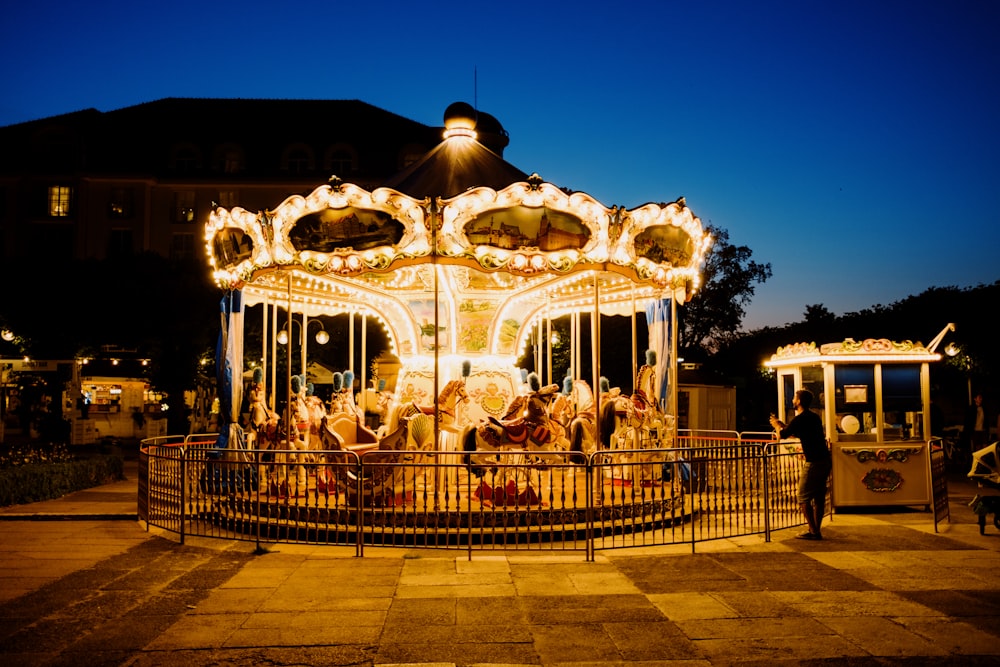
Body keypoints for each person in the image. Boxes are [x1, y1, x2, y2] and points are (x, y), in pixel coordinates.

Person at [769, 389, 832, 540]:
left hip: (813, 462)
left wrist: (776, 426)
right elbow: (798, 432)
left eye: (794, 398)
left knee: (803, 497)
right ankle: (816, 529)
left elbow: (781, 436)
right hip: (825, 459)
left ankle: (813, 531)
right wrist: (784, 425)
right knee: (818, 496)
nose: (792, 400)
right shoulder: (814, 417)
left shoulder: (799, 418)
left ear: (799, 401)